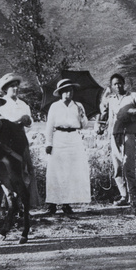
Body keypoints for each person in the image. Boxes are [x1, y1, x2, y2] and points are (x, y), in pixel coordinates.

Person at [97, 73, 136, 206]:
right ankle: (124, 195)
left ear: (124, 83)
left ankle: (134, 196)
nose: (117, 86)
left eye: (119, 83)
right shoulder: (111, 99)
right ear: (111, 86)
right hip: (114, 134)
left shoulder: (133, 96)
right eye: (114, 84)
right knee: (117, 166)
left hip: (128, 133)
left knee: (128, 164)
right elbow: (105, 114)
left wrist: (134, 116)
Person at [45, 79, 91, 214]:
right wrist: (49, 143)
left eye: (70, 90)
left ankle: (66, 203)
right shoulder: (54, 106)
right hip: (59, 137)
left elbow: (84, 125)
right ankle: (52, 203)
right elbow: (49, 126)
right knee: (55, 171)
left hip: (73, 139)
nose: (68, 93)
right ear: (60, 93)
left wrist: (82, 116)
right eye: (65, 91)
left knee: (71, 171)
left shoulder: (78, 106)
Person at [0, 72, 41, 207]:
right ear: (5, 89)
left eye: (16, 86)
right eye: (11, 86)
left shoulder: (23, 104)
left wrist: (27, 121)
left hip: (21, 139)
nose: (15, 89)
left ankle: (27, 202)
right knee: (9, 170)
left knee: (26, 168)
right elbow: (2, 123)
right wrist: (17, 121)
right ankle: (9, 204)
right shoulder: (1, 104)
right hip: (7, 141)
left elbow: (30, 123)